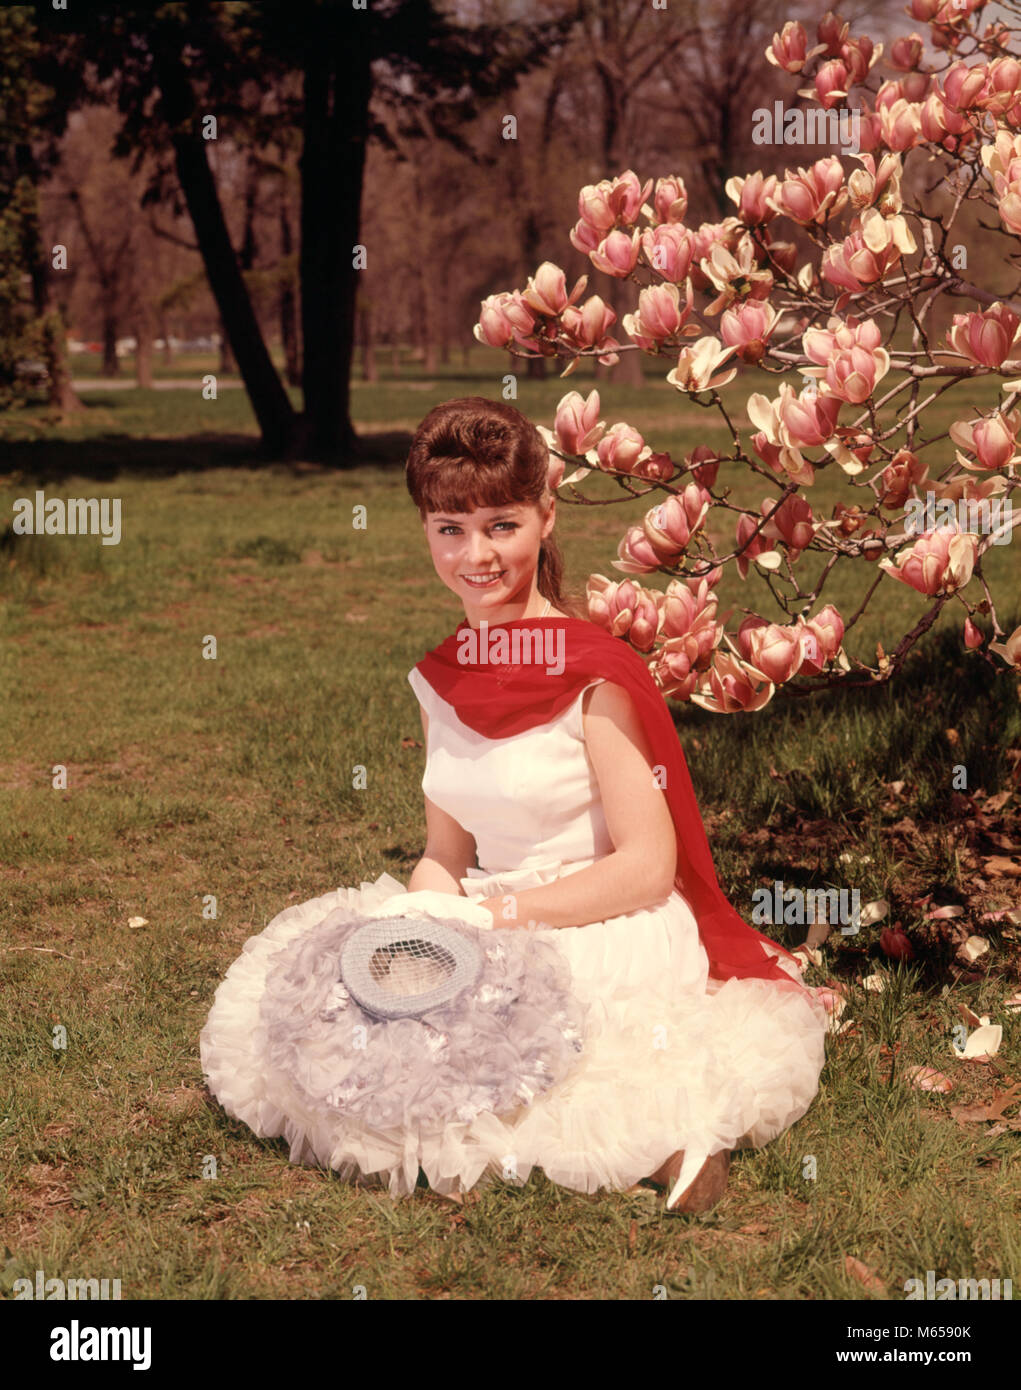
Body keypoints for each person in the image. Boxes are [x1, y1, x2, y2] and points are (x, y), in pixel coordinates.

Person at [200, 396, 828, 1213]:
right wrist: (423, 925)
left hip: (604, 919)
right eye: (448, 529)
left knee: (500, 1023)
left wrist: (491, 922)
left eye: (500, 525)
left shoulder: (594, 676)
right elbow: (445, 855)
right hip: (485, 909)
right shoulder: (438, 680)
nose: (475, 555)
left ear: (544, 515)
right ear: (424, 530)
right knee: (357, 994)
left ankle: (666, 1139)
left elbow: (646, 868)